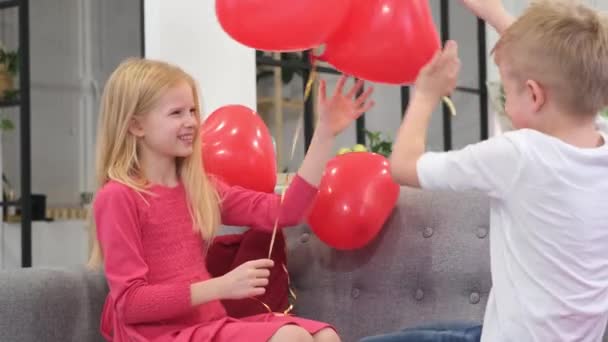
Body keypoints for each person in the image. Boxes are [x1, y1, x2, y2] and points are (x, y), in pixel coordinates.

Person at [368, 1, 608, 341]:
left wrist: (426, 94)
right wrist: (494, 14)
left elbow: (403, 167)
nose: (506, 104)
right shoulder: (598, 144)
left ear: (534, 94)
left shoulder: (519, 155)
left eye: (507, 93)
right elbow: (568, 69)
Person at [88, 57, 374, 342]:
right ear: (136, 126)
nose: (191, 122)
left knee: (325, 335)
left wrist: (324, 134)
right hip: (157, 334)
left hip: (207, 323)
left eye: (192, 111)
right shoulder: (118, 197)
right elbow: (131, 303)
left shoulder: (200, 189)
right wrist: (220, 287)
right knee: (290, 338)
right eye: (176, 113)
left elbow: (287, 212)